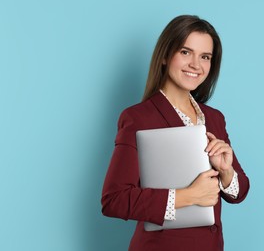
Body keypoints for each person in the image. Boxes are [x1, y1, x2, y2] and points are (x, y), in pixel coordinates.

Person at [101, 15, 250, 251]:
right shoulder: (138, 118)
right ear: (164, 55)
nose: (196, 65)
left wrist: (226, 171)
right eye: (185, 52)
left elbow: (239, 192)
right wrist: (188, 195)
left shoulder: (214, 118)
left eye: (205, 57)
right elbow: (114, 200)